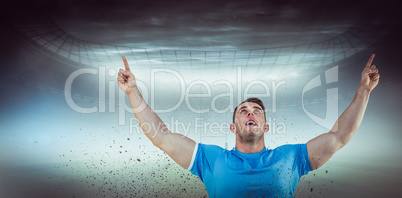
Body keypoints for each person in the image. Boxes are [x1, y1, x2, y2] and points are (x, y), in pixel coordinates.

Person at [117, 54, 380, 197]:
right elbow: (161, 137)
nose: (249, 113)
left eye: (256, 111)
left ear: (266, 127)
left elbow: (339, 136)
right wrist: (132, 92)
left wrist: (365, 90)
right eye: (243, 111)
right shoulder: (210, 159)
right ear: (233, 127)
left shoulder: (292, 157)